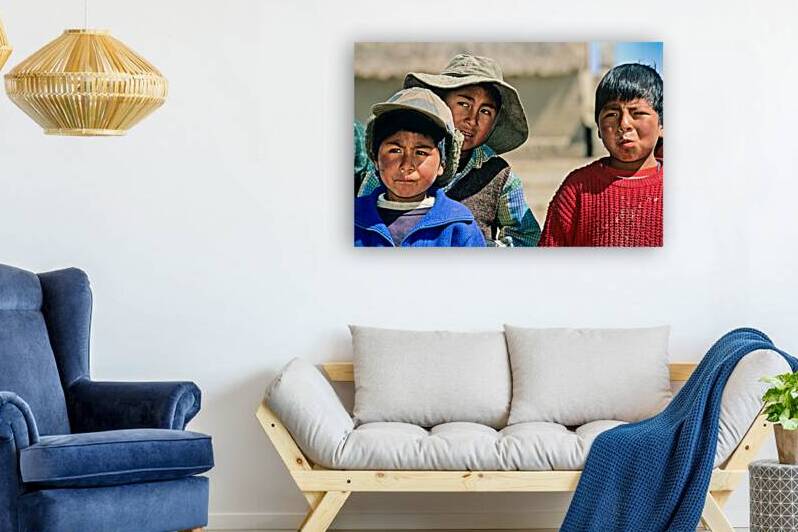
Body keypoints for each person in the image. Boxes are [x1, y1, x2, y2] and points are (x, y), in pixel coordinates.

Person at [357, 53, 540, 247]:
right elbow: (361, 220)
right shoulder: (388, 167)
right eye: (463, 104)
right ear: (440, 104)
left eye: (485, 111)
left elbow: (527, 236)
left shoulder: (500, 175)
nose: (472, 120)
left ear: (494, 123)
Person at [539, 63, 664, 247]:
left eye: (637, 113)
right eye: (612, 114)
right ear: (598, 128)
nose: (624, 124)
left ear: (662, 125)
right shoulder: (577, 189)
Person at [354, 88, 486, 247]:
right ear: (375, 158)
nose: (406, 165)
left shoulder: (459, 228)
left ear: (442, 164)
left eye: (421, 152)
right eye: (395, 151)